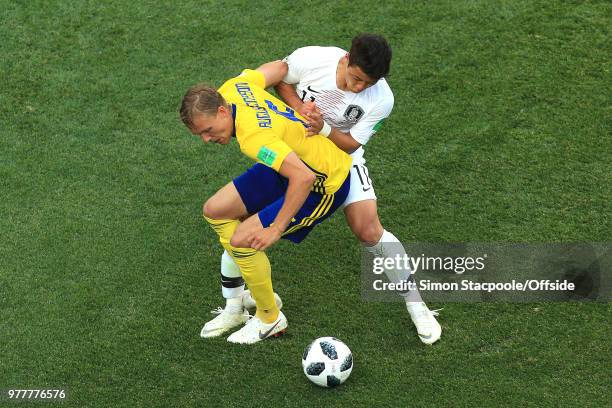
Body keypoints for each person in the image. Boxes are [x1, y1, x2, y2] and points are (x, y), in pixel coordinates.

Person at [209, 34, 442, 345]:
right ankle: (235, 305)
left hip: (340, 159)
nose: (359, 88)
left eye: (368, 83)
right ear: (345, 59)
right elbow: (281, 77)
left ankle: (417, 304)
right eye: (356, 78)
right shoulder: (314, 58)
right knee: (231, 217)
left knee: (368, 230)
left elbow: (351, 144)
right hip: (294, 148)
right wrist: (299, 109)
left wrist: (324, 128)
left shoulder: (383, 99)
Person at [180, 64, 352, 344]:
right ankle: (236, 309)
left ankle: (270, 318)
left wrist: (276, 228)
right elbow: (282, 67)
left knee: (242, 241)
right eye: (200, 134)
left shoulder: (253, 137)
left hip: (323, 184)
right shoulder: (233, 88)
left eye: (208, 130)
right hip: (287, 163)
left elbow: (304, 178)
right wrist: (297, 106)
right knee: (214, 211)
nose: (207, 139)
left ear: (222, 111)